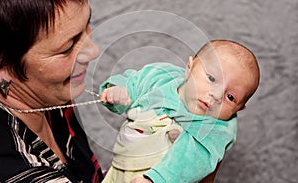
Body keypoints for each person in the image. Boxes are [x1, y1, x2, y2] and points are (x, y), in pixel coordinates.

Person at [99, 40, 260, 183]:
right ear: (189, 68)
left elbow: (190, 160)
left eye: (230, 97)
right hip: (119, 169)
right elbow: (133, 83)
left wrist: (154, 179)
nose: (216, 96)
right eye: (212, 79)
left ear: (239, 108)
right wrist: (118, 91)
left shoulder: (217, 128)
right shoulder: (161, 77)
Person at [0, 0, 104, 182]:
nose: (93, 51)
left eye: (87, 25)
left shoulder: (47, 90)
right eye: (68, 48)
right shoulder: (15, 172)